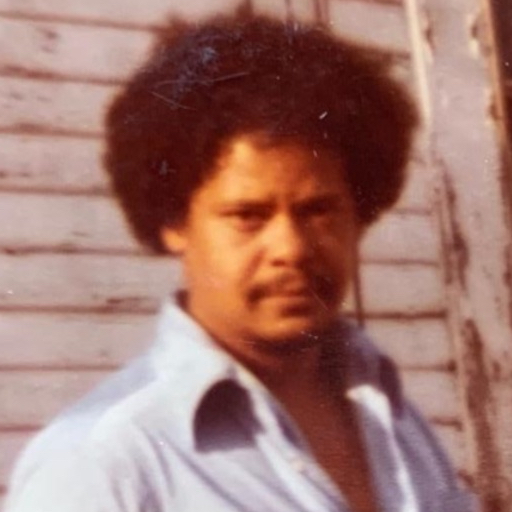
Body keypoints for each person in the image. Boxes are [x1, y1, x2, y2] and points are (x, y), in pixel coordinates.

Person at [5, 10, 478, 512]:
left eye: (318, 210)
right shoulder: (102, 464)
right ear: (173, 221)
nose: (291, 248)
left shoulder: (394, 419)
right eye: (248, 216)